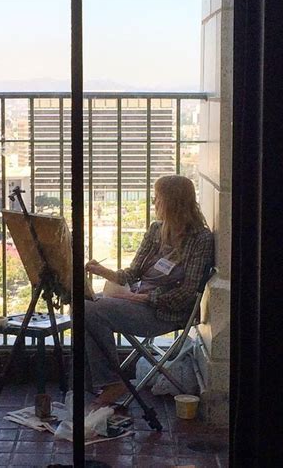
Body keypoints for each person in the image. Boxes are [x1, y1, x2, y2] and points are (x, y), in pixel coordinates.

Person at [84, 175, 214, 408]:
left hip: (164, 312)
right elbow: (131, 275)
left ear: (173, 202)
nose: (154, 203)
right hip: (137, 301)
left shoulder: (200, 239)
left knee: (90, 311)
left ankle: (110, 382)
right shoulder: (156, 230)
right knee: (82, 305)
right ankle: (102, 380)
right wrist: (101, 271)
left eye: (158, 199)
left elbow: (187, 292)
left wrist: (144, 298)